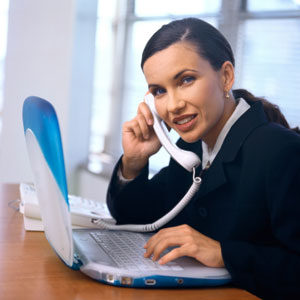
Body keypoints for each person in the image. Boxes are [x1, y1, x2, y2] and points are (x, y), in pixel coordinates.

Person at [106, 18, 300, 300]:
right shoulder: (192, 147)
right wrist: (133, 162)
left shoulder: (280, 151)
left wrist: (223, 253)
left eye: (186, 80)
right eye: (159, 91)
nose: (172, 105)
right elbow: (139, 218)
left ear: (225, 77)